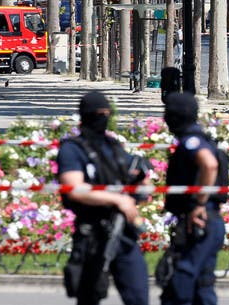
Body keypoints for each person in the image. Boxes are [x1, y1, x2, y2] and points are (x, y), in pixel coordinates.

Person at [57, 91, 149, 305]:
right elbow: (74, 187)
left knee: (138, 295)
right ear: (87, 115)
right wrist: (117, 200)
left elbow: (138, 181)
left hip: (123, 233)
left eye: (107, 113)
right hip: (92, 233)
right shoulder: (72, 149)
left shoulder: (113, 146)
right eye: (99, 113)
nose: (104, 117)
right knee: (89, 295)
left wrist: (141, 180)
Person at [160, 92, 226, 305]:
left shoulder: (192, 140)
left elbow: (209, 164)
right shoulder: (201, 137)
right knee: (202, 286)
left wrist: (199, 203)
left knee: (181, 283)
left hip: (199, 221)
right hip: (208, 220)